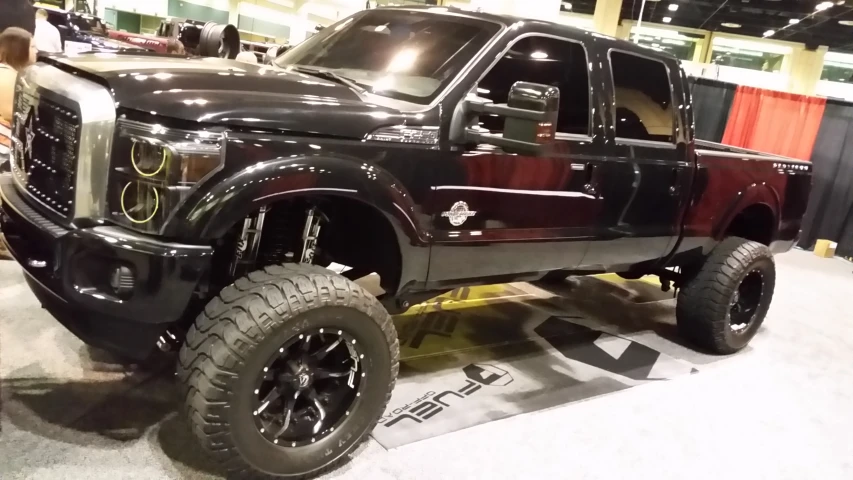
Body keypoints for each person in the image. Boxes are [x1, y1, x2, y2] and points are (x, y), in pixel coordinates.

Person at [0, 27, 36, 261]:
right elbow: (13, 114)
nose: (37, 50)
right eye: (32, 46)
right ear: (19, 49)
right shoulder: (8, 76)